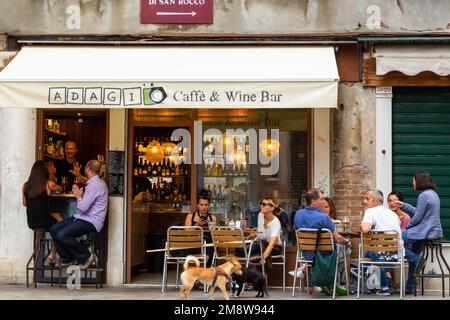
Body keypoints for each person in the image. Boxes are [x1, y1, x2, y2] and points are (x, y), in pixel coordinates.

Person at [50, 160, 108, 270]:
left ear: (88, 169)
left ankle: (86, 256)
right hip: (82, 217)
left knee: (62, 234)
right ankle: (67, 258)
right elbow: (86, 182)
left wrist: (78, 196)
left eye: (85, 167)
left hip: (92, 221)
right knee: (54, 229)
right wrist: (78, 176)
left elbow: (83, 209)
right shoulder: (95, 182)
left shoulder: (95, 185)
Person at [291, 189, 351, 294]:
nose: (324, 201)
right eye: (322, 199)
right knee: (346, 251)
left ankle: (321, 281)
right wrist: (346, 242)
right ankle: (333, 282)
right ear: (313, 201)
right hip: (323, 255)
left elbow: (296, 230)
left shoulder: (297, 215)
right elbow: (337, 237)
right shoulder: (324, 217)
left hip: (305, 254)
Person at [394, 170, 443, 294]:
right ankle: (410, 286)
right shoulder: (433, 194)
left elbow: (417, 217)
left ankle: (416, 259)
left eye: (413, 181)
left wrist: (407, 227)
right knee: (412, 258)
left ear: (419, 181)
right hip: (431, 232)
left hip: (422, 232)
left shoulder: (424, 195)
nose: (413, 183)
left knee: (395, 239)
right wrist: (403, 205)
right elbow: (420, 212)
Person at [361, 189, 403, 296]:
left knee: (369, 253)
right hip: (396, 254)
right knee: (374, 253)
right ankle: (384, 285)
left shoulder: (370, 212)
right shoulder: (392, 214)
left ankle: (382, 285)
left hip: (382, 255)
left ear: (375, 201)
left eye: (367, 199)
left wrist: (363, 224)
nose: (364, 201)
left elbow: (365, 229)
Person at [22, 160, 64, 264]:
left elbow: (24, 204)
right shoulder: (48, 184)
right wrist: (53, 183)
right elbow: (60, 189)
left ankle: (38, 255)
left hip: (31, 221)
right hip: (44, 219)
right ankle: (53, 253)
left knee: (57, 217)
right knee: (59, 221)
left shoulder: (25, 185)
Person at [184, 189, 217, 267]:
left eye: (206, 205)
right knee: (208, 248)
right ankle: (202, 271)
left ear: (209, 205)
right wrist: (197, 225)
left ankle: (201, 271)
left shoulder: (212, 218)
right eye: (201, 205)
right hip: (192, 245)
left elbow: (215, 236)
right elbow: (185, 234)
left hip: (207, 245)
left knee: (209, 246)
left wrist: (210, 227)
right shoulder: (190, 216)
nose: (204, 207)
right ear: (197, 205)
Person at [255, 198, 283, 274]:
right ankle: (261, 277)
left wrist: (263, 256)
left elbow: (272, 244)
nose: (261, 206)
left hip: (275, 248)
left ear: (272, 208)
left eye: (264, 204)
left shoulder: (275, 222)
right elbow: (261, 234)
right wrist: (254, 235)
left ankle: (261, 277)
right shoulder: (260, 215)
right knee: (253, 248)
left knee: (258, 249)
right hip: (262, 244)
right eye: (261, 203)